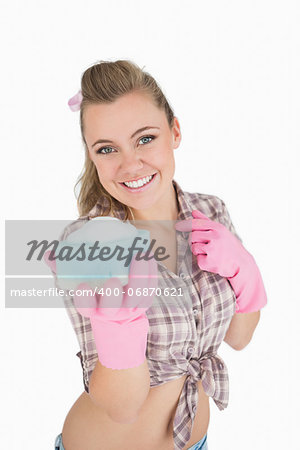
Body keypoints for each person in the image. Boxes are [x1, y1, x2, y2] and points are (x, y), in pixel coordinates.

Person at [51, 60, 267, 450]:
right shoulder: (88, 245)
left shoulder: (211, 212)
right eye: (107, 148)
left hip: (196, 441)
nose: (130, 164)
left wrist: (245, 273)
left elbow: (240, 336)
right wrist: (119, 317)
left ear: (175, 131)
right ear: (92, 155)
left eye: (145, 138)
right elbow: (122, 406)